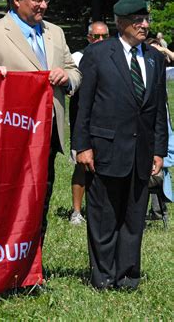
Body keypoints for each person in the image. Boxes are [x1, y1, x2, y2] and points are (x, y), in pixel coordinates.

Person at [0, 0, 82, 245]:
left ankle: (35, 262)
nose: (43, 5)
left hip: (48, 133)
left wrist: (67, 78)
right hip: (10, 138)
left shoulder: (55, 32)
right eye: (37, 0)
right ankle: (4, 264)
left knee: (41, 199)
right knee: (10, 204)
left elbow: (74, 71)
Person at [73, 0, 167, 290]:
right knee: (103, 216)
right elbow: (83, 105)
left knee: (134, 217)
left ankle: (128, 275)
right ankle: (103, 275)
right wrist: (83, 145)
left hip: (141, 153)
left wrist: (159, 150)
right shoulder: (99, 54)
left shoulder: (153, 57)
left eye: (146, 20)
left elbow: (158, 110)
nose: (145, 25)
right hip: (105, 149)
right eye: (138, 20)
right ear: (121, 22)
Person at [69, 21, 109, 225]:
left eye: (104, 36)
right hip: (83, 120)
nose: (100, 40)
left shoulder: (114, 58)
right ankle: (76, 212)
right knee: (81, 165)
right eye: (96, 36)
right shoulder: (76, 58)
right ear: (89, 38)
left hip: (107, 122)